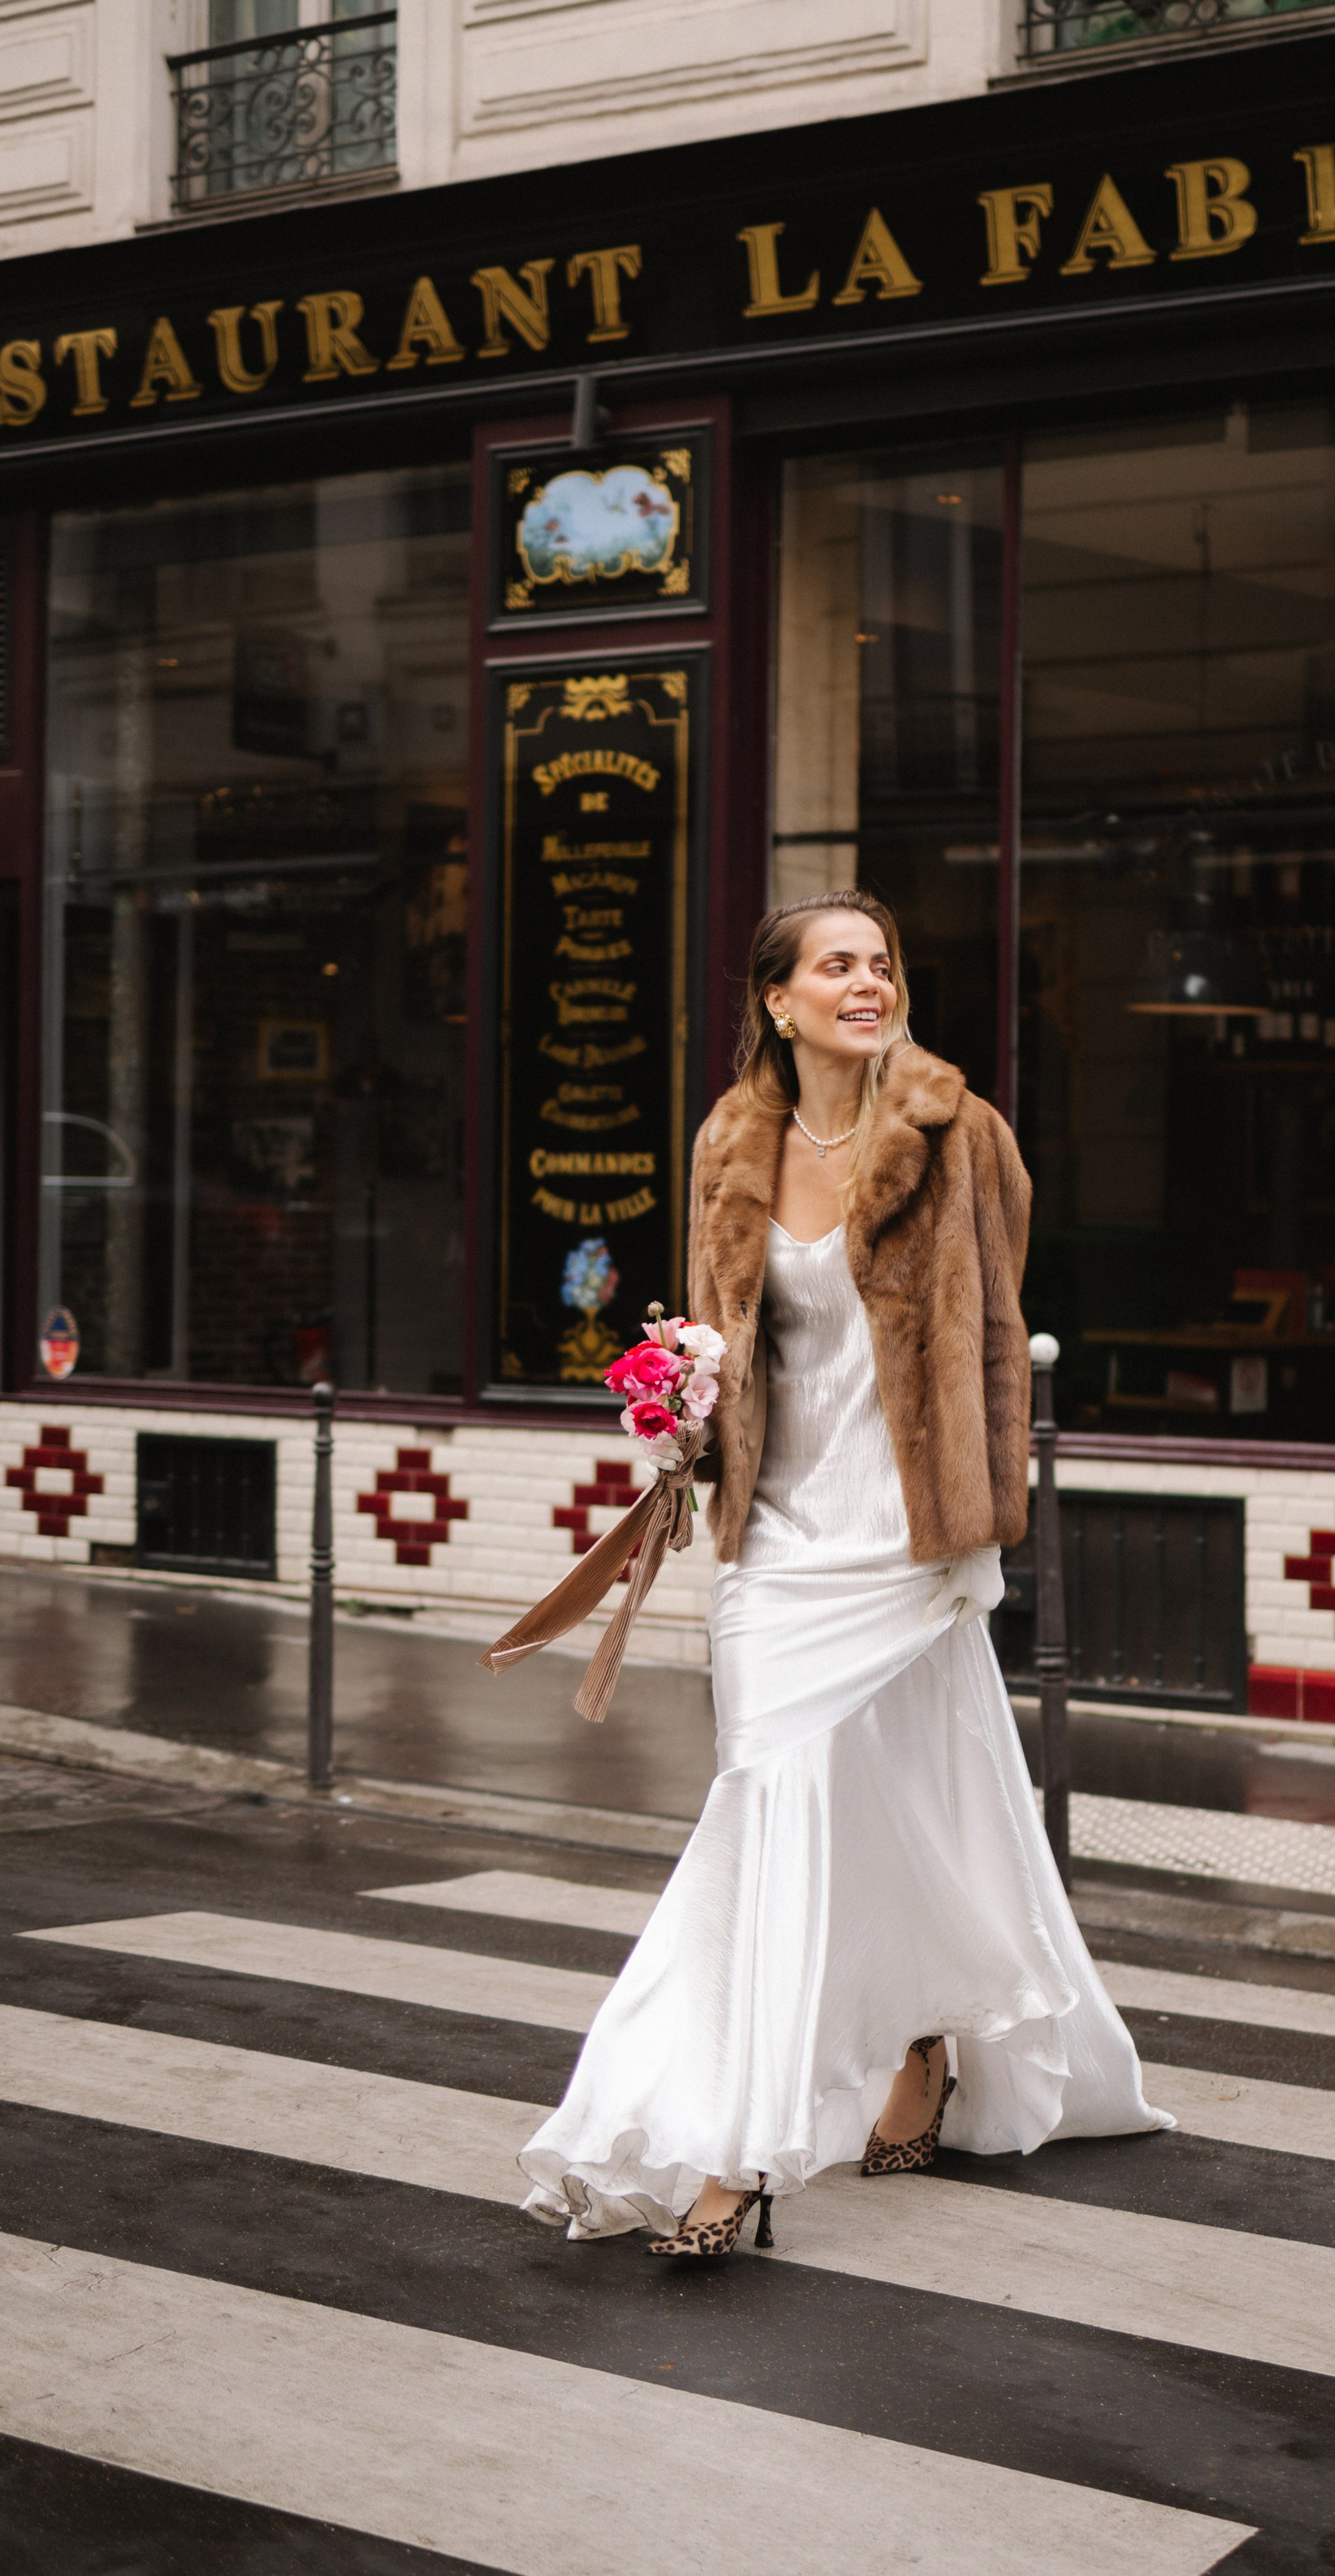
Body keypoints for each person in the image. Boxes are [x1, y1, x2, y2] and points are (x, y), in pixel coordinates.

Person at [520, 888, 1169, 2257]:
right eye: (838, 966)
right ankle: (775, 2119)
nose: (868, 983)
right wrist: (681, 1401)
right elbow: (719, 1332)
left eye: (881, 964)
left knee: (892, 1797)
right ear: (779, 999)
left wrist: (983, 1515)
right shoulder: (729, 1140)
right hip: (773, 1535)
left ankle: (807, 2115)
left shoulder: (957, 1131)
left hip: (903, 1532)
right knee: (772, 1803)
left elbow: (995, 1338)